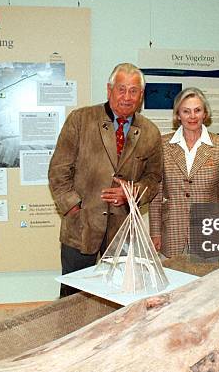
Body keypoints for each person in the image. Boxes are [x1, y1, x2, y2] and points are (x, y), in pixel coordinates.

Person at [48, 63, 162, 297]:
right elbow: (58, 169)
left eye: (133, 91)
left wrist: (131, 193)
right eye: (121, 89)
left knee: (121, 297)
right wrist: (73, 208)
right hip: (81, 226)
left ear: (141, 96)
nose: (127, 97)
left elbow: (153, 179)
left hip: (123, 230)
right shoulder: (81, 119)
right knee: (73, 298)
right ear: (109, 90)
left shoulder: (150, 132)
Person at [149, 88, 219, 258]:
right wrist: (155, 232)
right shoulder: (161, 145)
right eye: (186, 111)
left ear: (205, 113)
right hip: (172, 235)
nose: (192, 116)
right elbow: (156, 195)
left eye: (197, 110)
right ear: (178, 115)